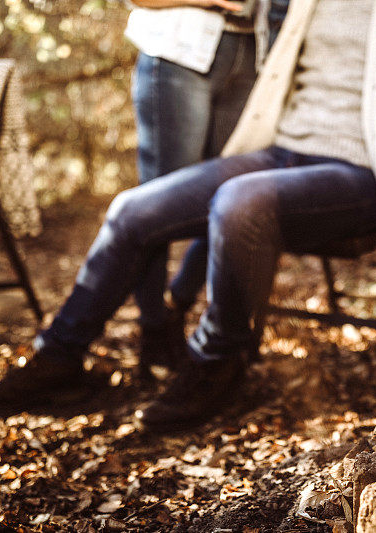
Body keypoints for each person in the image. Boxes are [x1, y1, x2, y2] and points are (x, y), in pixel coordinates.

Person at [0, 0, 376, 427]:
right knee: (133, 209)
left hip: (368, 176)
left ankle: (214, 363)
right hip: (282, 152)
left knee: (240, 201)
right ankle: (59, 360)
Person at [124, 0, 266, 368]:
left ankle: (178, 303)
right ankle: (154, 331)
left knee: (234, 197)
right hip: (178, 50)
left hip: (254, 54)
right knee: (157, 205)